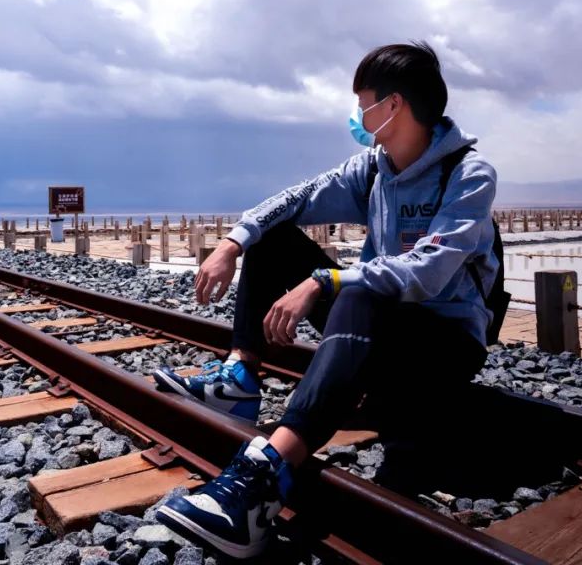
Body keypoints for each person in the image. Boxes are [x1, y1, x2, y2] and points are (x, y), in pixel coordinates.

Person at [152, 42, 499, 559]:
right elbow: (297, 198)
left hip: (444, 347)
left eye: (363, 103)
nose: (358, 116)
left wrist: (324, 280)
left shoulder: (467, 176)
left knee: (358, 292)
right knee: (274, 239)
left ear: (393, 106)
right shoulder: (375, 170)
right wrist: (233, 242)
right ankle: (240, 377)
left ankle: (262, 480)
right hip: (382, 334)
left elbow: (427, 271)